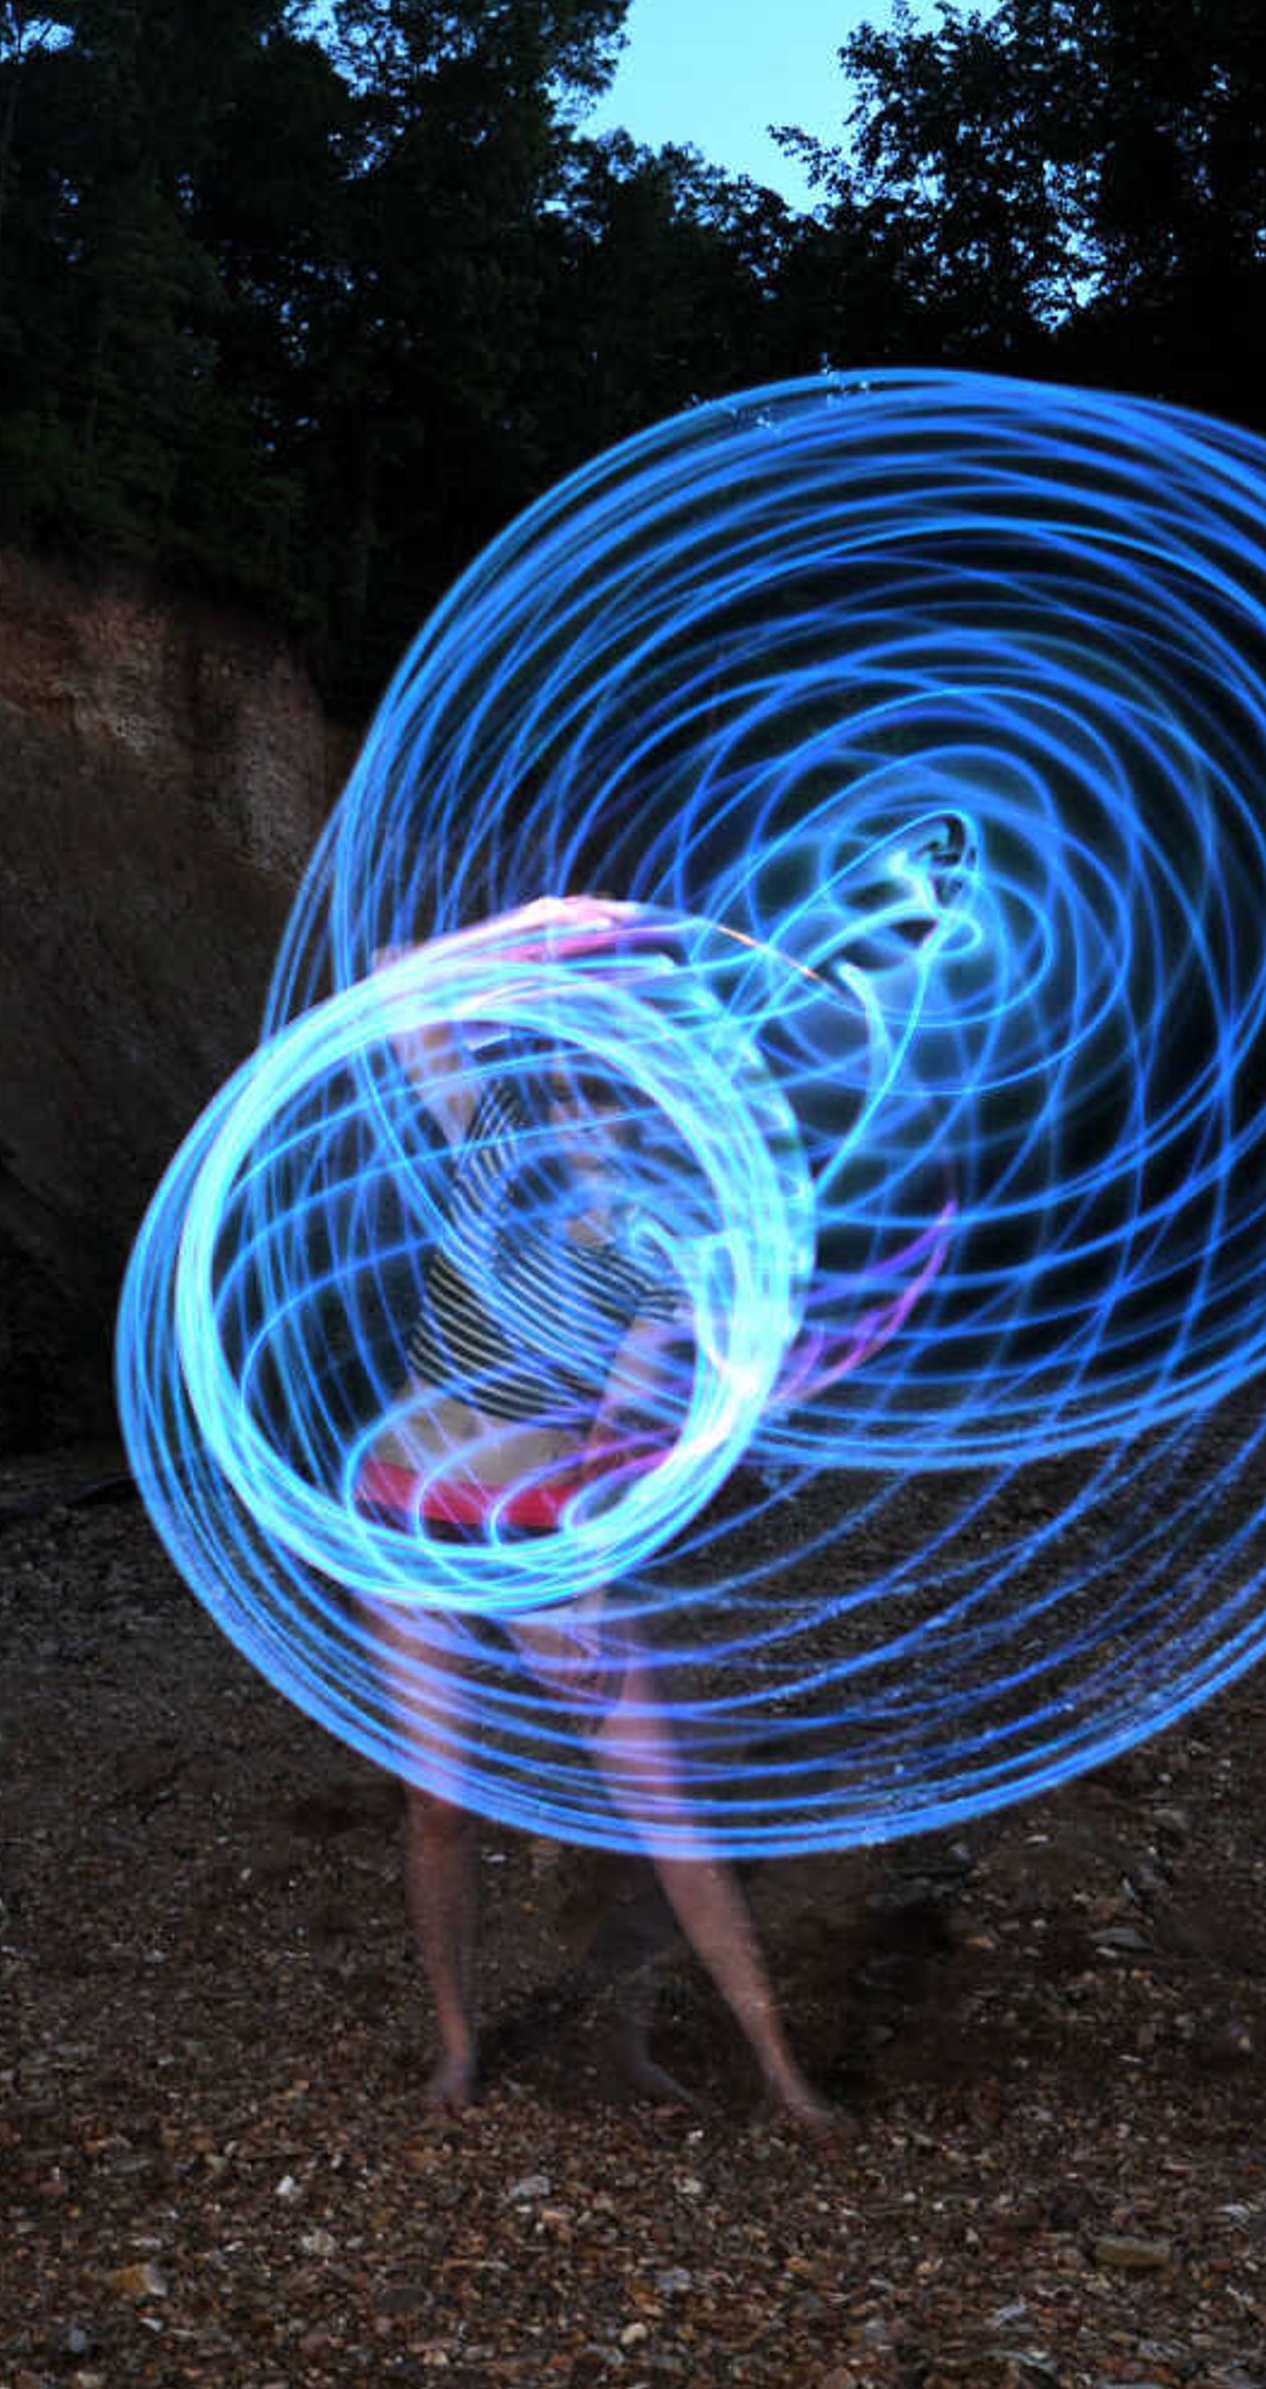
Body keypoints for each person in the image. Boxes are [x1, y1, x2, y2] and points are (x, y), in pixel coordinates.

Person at [358, 895, 835, 2128]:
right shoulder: (487, 1132)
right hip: (404, 1511)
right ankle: (458, 2049)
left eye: (613, 1097)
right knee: (442, 1801)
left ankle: (780, 2068)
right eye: (576, 1086)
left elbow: (623, 1434)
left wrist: (593, 1557)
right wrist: (537, 921)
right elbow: (395, 967)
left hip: (538, 1532)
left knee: (659, 1797)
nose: (588, 1112)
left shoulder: (659, 1253)